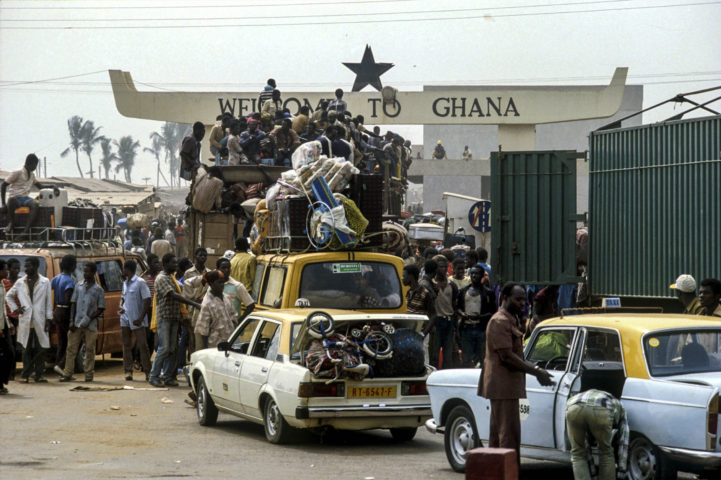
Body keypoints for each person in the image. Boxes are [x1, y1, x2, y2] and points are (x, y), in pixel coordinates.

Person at [478, 283, 554, 462]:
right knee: (508, 436)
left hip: (508, 386)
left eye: (524, 300)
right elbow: (507, 357)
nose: (523, 303)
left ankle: (498, 472)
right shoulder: (500, 321)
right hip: (503, 387)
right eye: (518, 299)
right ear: (505, 298)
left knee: (500, 436)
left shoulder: (512, 319)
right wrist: (536, 371)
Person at [148, 254, 200, 387]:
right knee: (164, 348)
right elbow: (173, 295)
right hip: (164, 318)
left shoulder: (172, 278)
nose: (176, 266)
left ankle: (167, 376)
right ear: (165, 264)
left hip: (174, 317)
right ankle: (153, 375)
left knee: (172, 348)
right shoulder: (162, 278)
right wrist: (193, 304)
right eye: (173, 264)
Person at [6, 256, 53, 383]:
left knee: (40, 348)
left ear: (36, 267)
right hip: (26, 320)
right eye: (25, 266)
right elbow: (8, 296)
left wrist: (49, 319)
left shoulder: (45, 282)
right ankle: (25, 374)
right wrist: (16, 309)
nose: (26, 269)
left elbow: (48, 302)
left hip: (40, 319)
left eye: (29, 266)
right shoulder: (20, 282)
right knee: (26, 348)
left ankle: (39, 374)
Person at [566, 388, 629, 480]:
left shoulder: (579, 397)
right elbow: (624, 440)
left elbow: (586, 444)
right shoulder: (620, 407)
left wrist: (593, 474)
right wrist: (622, 469)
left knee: (577, 453)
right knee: (606, 451)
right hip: (601, 409)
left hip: (573, 407)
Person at [59, 262, 105, 382]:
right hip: (76, 322)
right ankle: (67, 373)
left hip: (90, 324)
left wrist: (90, 318)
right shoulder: (78, 286)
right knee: (71, 349)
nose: (85, 273)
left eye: (88, 271)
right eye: (84, 271)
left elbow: (101, 308)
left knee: (90, 349)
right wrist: (71, 320)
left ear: (93, 273)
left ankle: (89, 374)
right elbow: (73, 303)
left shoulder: (98, 289)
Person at [1, 153, 59, 233]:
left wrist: (53, 185)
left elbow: (40, 186)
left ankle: (26, 230)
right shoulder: (17, 173)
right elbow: (3, 185)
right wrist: (3, 204)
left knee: (35, 204)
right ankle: (12, 222)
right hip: (15, 197)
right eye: (35, 165)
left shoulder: (32, 175)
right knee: (11, 200)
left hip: (25, 198)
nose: (35, 168)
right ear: (30, 164)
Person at [456, 266, 497, 368]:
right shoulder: (464, 291)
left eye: (477, 273)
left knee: (483, 359)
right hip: (466, 329)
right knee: (466, 359)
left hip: (481, 329)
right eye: (472, 273)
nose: (474, 275)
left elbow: (493, 312)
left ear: (482, 276)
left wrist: (481, 317)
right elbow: (457, 308)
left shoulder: (488, 293)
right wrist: (462, 314)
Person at [119, 259, 152, 382]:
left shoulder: (140, 282)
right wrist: (120, 306)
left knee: (143, 345)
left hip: (137, 319)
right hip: (125, 318)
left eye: (124, 269)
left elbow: (147, 300)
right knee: (126, 345)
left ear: (128, 269)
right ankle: (128, 371)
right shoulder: (125, 283)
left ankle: (148, 371)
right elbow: (123, 298)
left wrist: (141, 318)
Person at [194, 270, 238, 349]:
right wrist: (206, 350)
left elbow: (234, 317)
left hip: (230, 342)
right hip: (215, 345)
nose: (222, 285)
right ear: (211, 284)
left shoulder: (226, 297)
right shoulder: (207, 304)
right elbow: (203, 331)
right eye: (219, 282)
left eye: (222, 282)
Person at [402, 264, 436, 365]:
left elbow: (433, 315)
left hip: (421, 333)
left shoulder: (425, 293)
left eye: (404, 276)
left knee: (423, 360)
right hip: (410, 332)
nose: (402, 278)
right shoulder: (408, 292)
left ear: (411, 277)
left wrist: (423, 334)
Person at [50, 254, 76, 376]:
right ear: (72, 266)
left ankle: (57, 364)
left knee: (61, 341)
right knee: (72, 341)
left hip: (57, 310)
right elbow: (68, 299)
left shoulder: (56, 278)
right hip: (65, 311)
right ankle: (61, 365)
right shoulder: (70, 281)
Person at [182, 247, 210, 355]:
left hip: (204, 307)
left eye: (204, 255)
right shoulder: (188, 273)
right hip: (191, 308)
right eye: (200, 255)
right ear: (195, 257)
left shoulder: (209, 273)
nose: (203, 257)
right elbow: (186, 293)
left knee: (202, 336)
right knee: (191, 337)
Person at [432, 256, 458, 369]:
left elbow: (454, 305)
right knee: (434, 354)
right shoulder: (431, 284)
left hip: (448, 321)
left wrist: (455, 325)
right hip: (436, 321)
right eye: (440, 267)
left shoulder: (452, 285)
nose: (443, 269)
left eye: (445, 267)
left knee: (448, 354)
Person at [3, 258, 20, 379]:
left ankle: (12, 372)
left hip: (19, 317)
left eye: (18, 268)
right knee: (10, 346)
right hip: (7, 317)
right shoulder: (4, 283)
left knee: (15, 346)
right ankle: (9, 374)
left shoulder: (20, 282)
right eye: (14, 268)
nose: (17, 271)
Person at [0, 260, 13, 394]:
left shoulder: (2, 285)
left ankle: (2, 382)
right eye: (4, 269)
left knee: (9, 353)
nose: (7, 272)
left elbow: (3, 306)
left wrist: (8, 324)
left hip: (3, 324)